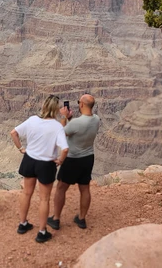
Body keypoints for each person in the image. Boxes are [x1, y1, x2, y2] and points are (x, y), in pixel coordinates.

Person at [10, 95, 69, 243]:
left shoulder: (32, 120)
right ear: (56, 110)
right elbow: (65, 148)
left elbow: (14, 133)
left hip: (29, 160)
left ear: (43, 107)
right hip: (46, 164)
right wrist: (60, 160)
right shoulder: (57, 127)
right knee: (44, 199)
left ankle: (22, 224)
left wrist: (21, 148)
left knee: (26, 193)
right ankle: (42, 232)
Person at [48, 93, 101, 230]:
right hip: (88, 158)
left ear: (82, 104)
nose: (78, 104)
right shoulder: (96, 119)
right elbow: (79, 130)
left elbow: (60, 134)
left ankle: (56, 219)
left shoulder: (77, 123)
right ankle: (82, 219)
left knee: (61, 188)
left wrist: (64, 117)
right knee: (84, 188)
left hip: (72, 160)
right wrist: (71, 118)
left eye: (79, 102)